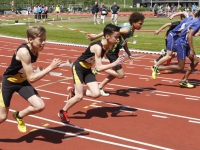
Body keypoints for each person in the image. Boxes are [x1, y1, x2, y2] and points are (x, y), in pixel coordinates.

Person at [0, 26, 62, 133]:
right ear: (30, 40)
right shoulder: (24, 52)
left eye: (44, 39)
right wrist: (50, 67)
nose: (44, 43)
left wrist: (38, 44)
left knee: (40, 106)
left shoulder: (35, 48)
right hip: (9, 82)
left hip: (22, 82)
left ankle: (18, 115)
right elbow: (32, 78)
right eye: (41, 40)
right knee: (2, 117)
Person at [58, 24, 124, 123]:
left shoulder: (108, 46)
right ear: (107, 36)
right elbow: (98, 67)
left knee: (96, 94)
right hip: (78, 68)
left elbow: (99, 63)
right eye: (116, 37)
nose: (118, 39)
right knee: (79, 97)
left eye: (118, 37)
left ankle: (73, 91)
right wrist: (114, 63)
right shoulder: (97, 47)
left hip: (87, 69)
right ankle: (62, 111)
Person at [87, 12, 145, 96]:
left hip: (115, 51)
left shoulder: (131, 31)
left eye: (142, 24)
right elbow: (109, 32)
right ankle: (98, 69)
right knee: (120, 74)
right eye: (140, 23)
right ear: (133, 22)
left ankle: (100, 86)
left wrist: (129, 54)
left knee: (116, 73)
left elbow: (124, 43)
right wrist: (95, 37)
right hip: (111, 51)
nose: (141, 26)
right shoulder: (127, 29)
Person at [152, 11, 200, 88]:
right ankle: (159, 68)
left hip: (185, 43)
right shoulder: (197, 22)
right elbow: (190, 35)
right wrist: (191, 49)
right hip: (182, 44)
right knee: (180, 67)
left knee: (195, 61)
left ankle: (184, 81)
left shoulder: (192, 20)